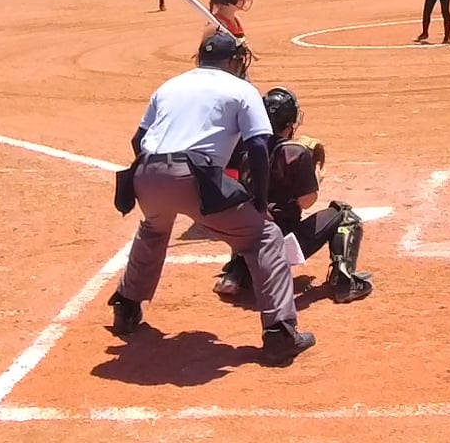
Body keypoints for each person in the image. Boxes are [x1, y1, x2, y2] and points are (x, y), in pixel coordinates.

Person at [106, 33, 315, 362]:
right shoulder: (241, 89)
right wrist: (259, 203)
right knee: (264, 236)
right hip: (195, 177)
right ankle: (280, 333)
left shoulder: (169, 86)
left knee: (154, 229)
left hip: (146, 175)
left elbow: (139, 139)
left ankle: (126, 307)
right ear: (232, 61)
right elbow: (258, 146)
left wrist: (161, 180)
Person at [212, 86, 373, 305]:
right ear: (291, 122)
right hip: (282, 244)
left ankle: (236, 272)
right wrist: (315, 178)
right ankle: (345, 281)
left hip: (248, 239)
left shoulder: (245, 148)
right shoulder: (295, 153)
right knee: (344, 214)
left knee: (249, 217)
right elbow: (306, 201)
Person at [203, 0, 257, 78]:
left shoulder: (236, 20)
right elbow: (203, 58)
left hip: (239, 73)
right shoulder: (216, 26)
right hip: (223, 77)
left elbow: (241, 42)